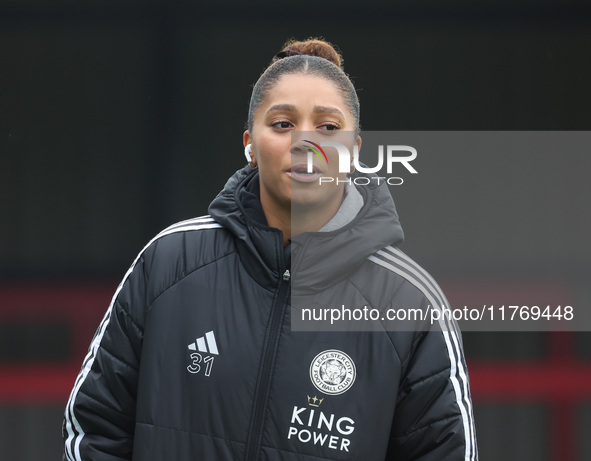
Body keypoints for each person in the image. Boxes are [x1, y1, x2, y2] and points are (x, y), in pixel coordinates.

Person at [63, 38, 478, 461]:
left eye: (329, 128)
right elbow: (95, 427)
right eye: (282, 124)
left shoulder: (409, 303)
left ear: (354, 151)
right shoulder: (169, 262)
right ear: (249, 145)